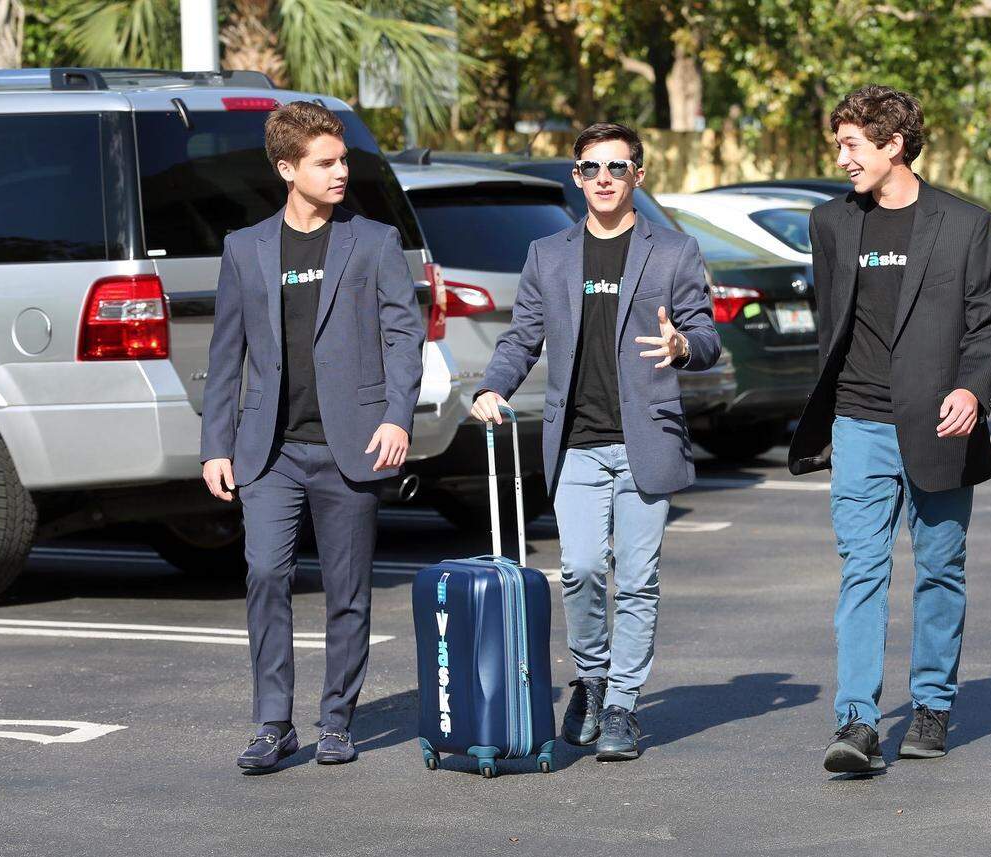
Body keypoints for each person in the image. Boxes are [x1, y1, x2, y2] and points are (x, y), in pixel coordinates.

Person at [788, 85, 991, 773]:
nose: (842, 157)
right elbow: (835, 322)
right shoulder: (830, 223)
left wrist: (972, 389)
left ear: (894, 144)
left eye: (852, 144)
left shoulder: (964, 224)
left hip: (940, 424)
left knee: (940, 568)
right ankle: (856, 720)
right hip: (858, 421)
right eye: (839, 144)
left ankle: (931, 706)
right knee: (861, 569)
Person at [472, 122, 720, 761]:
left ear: (639, 175)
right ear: (576, 177)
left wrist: (681, 345)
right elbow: (521, 337)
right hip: (577, 442)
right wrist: (491, 387)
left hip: (648, 440)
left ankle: (622, 705)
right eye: (589, 168)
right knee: (581, 570)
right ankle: (590, 676)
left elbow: (706, 336)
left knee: (637, 580)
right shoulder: (548, 255)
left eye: (616, 167)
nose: (603, 179)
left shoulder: (673, 251)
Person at [200, 101, 424, 770]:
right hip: (268, 449)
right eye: (324, 163)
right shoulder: (246, 248)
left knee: (347, 589)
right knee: (265, 573)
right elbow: (226, 351)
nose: (340, 173)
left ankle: (335, 720)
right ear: (287, 168)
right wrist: (216, 443)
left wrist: (396, 414)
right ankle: (273, 722)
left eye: (343, 160)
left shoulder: (375, 241)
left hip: (350, 445)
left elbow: (403, 335)